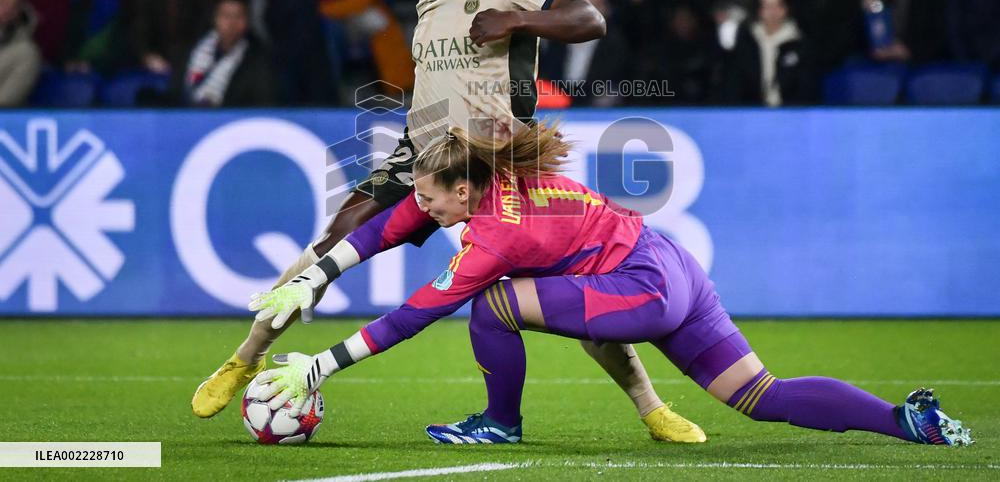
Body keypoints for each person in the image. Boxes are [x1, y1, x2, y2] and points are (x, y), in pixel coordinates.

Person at [192, 0, 706, 446]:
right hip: (424, 157)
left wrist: (515, 20)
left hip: (496, 168)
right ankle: (245, 358)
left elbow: (589, 19)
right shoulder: (429, 1)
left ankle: (651, 409)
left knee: (567, 278)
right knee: (326, 248)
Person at [250, 121, 974, 448]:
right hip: (671, 266)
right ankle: (908, 422)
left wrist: (320, 363)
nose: (427, 213)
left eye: (437, 202)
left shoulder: (493, 234)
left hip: (643, 286)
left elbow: (413, 314)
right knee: (761, 399)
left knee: (492, 305)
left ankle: (500, 423)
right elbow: (388, 222)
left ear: (464, 191)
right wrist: (314, 275)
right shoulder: (487, 178)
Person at [184, 0, 276, 107]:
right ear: (215, 19)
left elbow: (263, 102)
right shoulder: (191, 51)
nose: (232, 23)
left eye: (238, 16)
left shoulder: (258, 60)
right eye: (226, 16)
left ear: (246, 21)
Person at [722, 0, 809, 106]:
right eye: (767, 6)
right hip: (752, 112)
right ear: (759, 10)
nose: (772, 12)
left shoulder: (798, 43)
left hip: (789, 113)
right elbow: (736, 81)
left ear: (785, 9)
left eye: (777, 6)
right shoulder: (748, 41)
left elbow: (805, 86)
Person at [0, 0, 40, 107]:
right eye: (1, 0)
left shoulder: (25, 54)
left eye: (12, 4)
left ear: (17, 12)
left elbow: (6, 104)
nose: (5, 8)